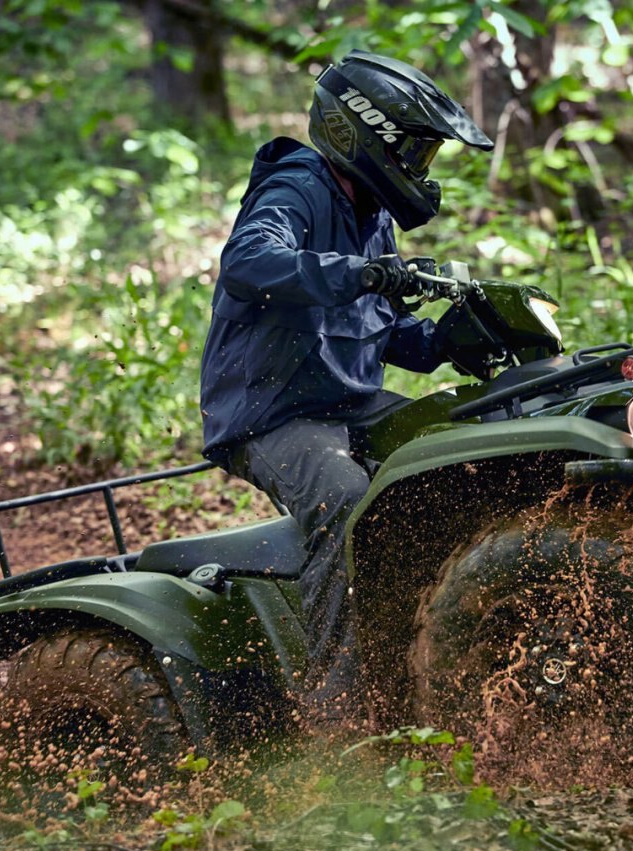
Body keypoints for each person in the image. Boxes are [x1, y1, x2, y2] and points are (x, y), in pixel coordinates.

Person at [198, 51, 493, 721]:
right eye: (414, 151)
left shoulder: (372, 215)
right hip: (271, 416)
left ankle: (426, 659)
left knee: (451, 453)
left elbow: (394, 334)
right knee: (342, 496)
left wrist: (453, 336)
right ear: (365, 134)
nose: (421, 168)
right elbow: (249, 260)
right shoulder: (296, 187)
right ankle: (337, 705)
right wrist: (359, 273)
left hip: (348, 405)